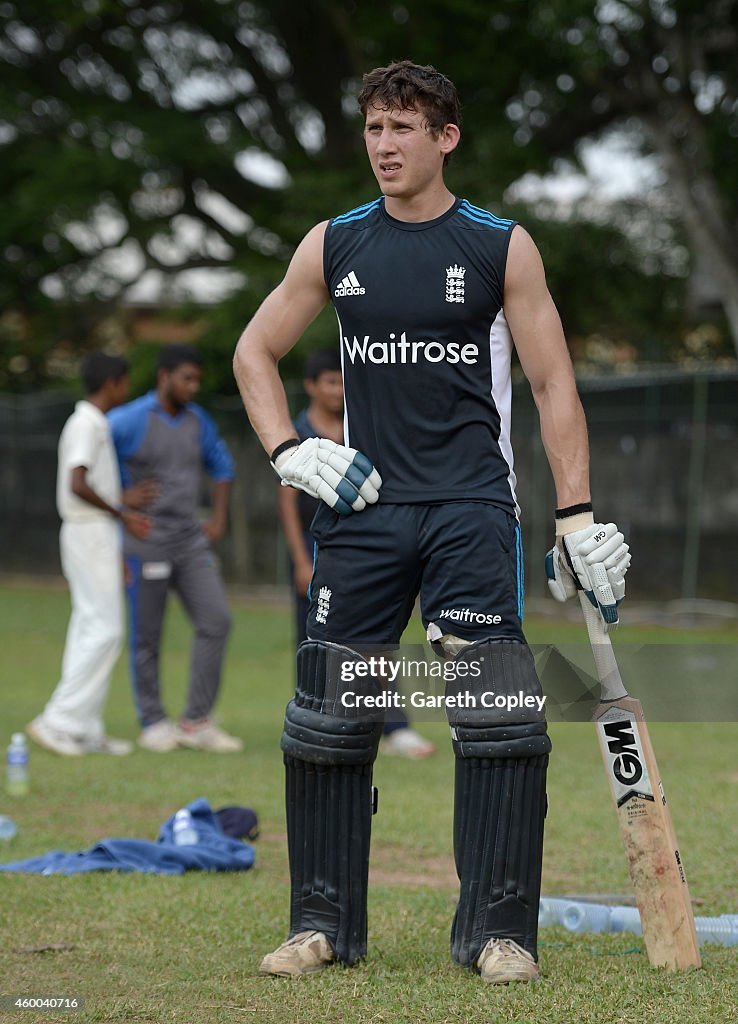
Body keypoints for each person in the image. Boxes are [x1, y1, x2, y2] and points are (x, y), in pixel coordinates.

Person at [233, 61, 630, 984]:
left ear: (445, 139)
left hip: (471, 508)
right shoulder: (335, 243)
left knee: (496, 720)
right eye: (374, 128)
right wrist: (288, 449)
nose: (384, 146)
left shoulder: (499, 246)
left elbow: (552, 384)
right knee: (331, 715)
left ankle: (500, 934)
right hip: (365, 507)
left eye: (403, 128)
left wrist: (575, 515)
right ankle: (321, 924)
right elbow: (255, 350)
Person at [278, 347, 435, 758]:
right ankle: (319, 718)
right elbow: (288, 506)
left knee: (378, 641)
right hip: (315, 558)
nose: (339, 390)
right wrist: (300, 561)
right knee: (316, 644)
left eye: (343, 381)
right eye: (330, 381)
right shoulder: (296, 435)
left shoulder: (359, 427)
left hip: (364, 553)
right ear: (312, 386)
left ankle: (395, 727)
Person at [109, 344, 242, 754]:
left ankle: (196, 721)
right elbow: (91, 472)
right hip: (145, 540)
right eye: (187, 378)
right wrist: (120, 499)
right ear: (163, 376)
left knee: (216, 620)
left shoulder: (197, 420)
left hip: (189, 540)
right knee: (147, 634)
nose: (194, 386)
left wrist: (218, 519)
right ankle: (152, 721)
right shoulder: (125, 421)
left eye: (197, 379)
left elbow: (223, 468)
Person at [27, 352, 153, 757]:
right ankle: (58, 721)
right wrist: (123, 514)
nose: (127, 390)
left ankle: (84, 728)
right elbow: (77, 483)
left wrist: (117, 514)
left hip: (94, 532)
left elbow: (90, 484)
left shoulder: (93, 422)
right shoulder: (87, 423)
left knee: (90, 626)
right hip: (88, 530)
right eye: (125, 382)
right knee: (105, 629)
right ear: (113, 382)